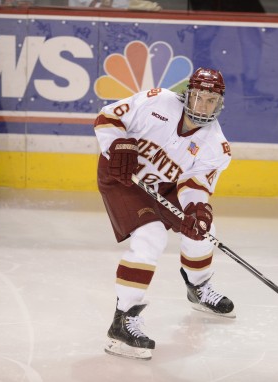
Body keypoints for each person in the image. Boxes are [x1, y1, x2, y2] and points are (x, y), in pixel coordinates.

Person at [94, 67, 235, 360]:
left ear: (219, 103)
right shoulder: (157, 102)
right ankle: (122, 322)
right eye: (199, 97)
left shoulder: (216, 146)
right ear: (188, 95)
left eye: (211, 100)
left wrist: (197, 209)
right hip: (124, 177)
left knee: (203, 233)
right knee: (151, 235)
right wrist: (116, 144)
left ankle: (199, 288)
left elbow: (194, 183)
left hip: (165, 185)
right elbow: (108, 117)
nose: (203, 105)